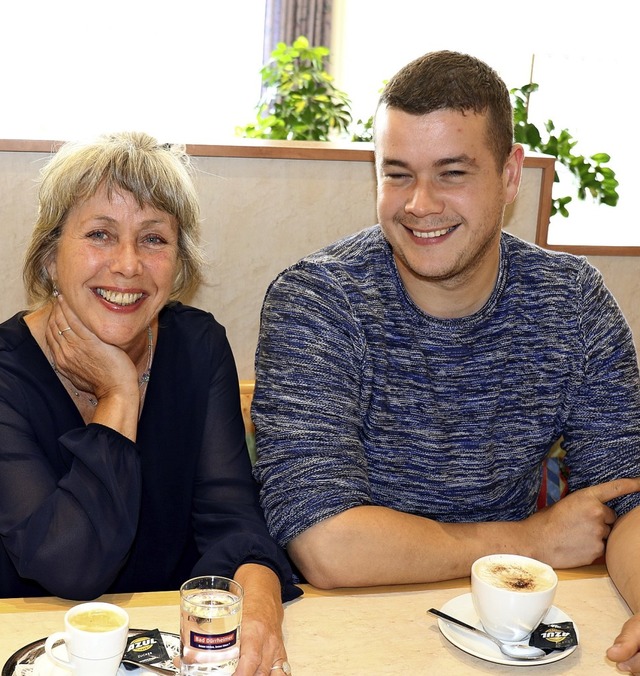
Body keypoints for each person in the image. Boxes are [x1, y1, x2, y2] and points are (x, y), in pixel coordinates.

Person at [251, 51, 640, 672]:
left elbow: (629, 492)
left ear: (511, 175)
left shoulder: (572, 302)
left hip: (507, 630)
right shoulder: (319, 301)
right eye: (397, 174)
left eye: (452, 173)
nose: (420, 204)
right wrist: (530, 541)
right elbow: (326, 544)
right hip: (346, 626)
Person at [0, 131, 299, 675]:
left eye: (154, 239)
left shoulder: (197, 346)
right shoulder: (3, 373)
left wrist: (259, 608)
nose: (128, 264)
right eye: (99, 234)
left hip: (171, 655)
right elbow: (73, 565)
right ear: (48, 258)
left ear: (178, 262)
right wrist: (119, 394)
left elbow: (234, 523)